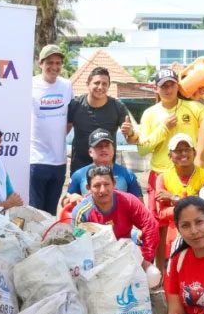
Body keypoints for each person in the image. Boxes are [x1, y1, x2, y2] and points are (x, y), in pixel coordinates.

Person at [124, 68, 204, 221]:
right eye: (163, 86)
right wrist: (163, 129)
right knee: (157, 224)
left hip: (188, 175)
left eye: (171, 85)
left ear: (178, 86)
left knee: (193, 219)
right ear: (156, 89)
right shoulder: (150, 113)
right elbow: (143, 149)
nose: (168, 89)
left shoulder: (195, 108)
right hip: (160, 175)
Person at [71, 165, 158, 268]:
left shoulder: (129, 201)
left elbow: (151, 225)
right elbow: (78, 245)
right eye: (97, 186)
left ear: (114, 184)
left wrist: (147, 259)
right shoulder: (81, 212)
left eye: (106, 184)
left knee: (153, 275)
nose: (102, 190)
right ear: (88, 188)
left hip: (125, 252)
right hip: (96, 259)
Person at [153, 133, 204, 269]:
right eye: (178, 150)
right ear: (170, 156)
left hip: (202, 235)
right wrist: (194, 203)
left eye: (187, 149)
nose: (183, 153)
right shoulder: (162, 178)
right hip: (173, 238)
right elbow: (162, 214)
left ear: (194, 152)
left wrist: (173, 198)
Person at [30, 44, 72, 214]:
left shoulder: (67, 85)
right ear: (41, 63)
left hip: (59, 161)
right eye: (50, 63)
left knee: (50, 213)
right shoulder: (29, 84)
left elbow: (70, 117)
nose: (54, 67)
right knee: (35, 212)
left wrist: (58, 134)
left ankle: (47, 242)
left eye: (58, 63)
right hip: (35, 159)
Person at [67, 67, 128, 174]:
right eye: (96, 83)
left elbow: (131, 138)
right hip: (79, 170)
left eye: (104, 84)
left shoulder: (118, 107)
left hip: (106, 171)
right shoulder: (75, 105)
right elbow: (64, 131)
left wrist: (130, 133)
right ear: (88, 84)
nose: (100, 87)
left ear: (109, 86)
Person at [63, 128, 142, 205]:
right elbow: (65, 203)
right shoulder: (78, 175)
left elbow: (140, 205)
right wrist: (71, 199)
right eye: (99, 146)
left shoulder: (127, 174)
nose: (104, 149)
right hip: (89, 217)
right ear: (90, 152)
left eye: (107, 145)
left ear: (113, 149)